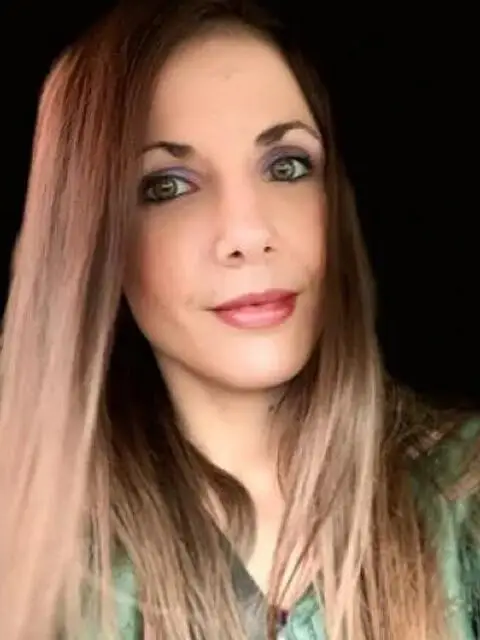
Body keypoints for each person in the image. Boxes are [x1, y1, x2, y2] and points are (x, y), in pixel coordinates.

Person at [0, 0, 478, 638]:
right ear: (91, 240)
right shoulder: (35, 562)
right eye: (167, 186)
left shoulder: (463, 497)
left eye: (287, 166)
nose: (249, 234)